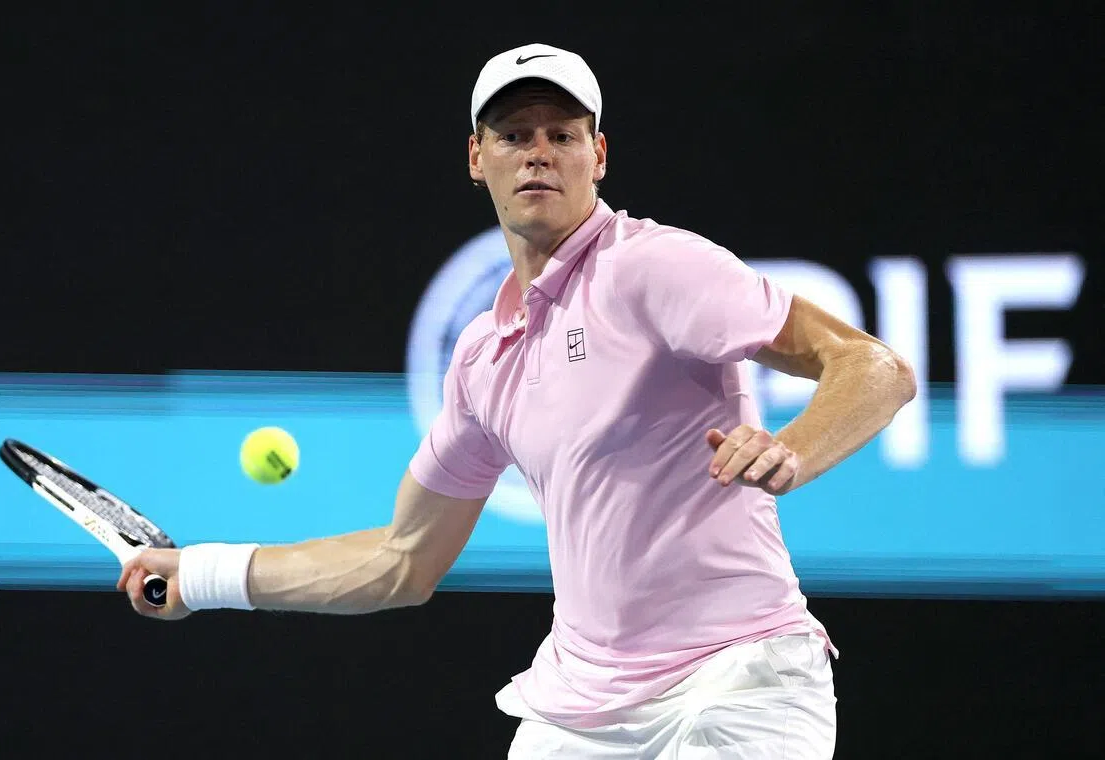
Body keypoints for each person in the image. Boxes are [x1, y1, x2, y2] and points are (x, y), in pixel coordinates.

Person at [118, 42, 917, 759]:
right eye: (514, 135)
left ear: (597, 155)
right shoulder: (481, 360)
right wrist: (203, 575)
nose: (539, 153)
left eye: (562, 135)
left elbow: (874, 368)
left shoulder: (657, 268)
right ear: (476, 157)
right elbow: (403, 560)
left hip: (740, 684)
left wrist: (795, 447)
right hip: (579, 710)